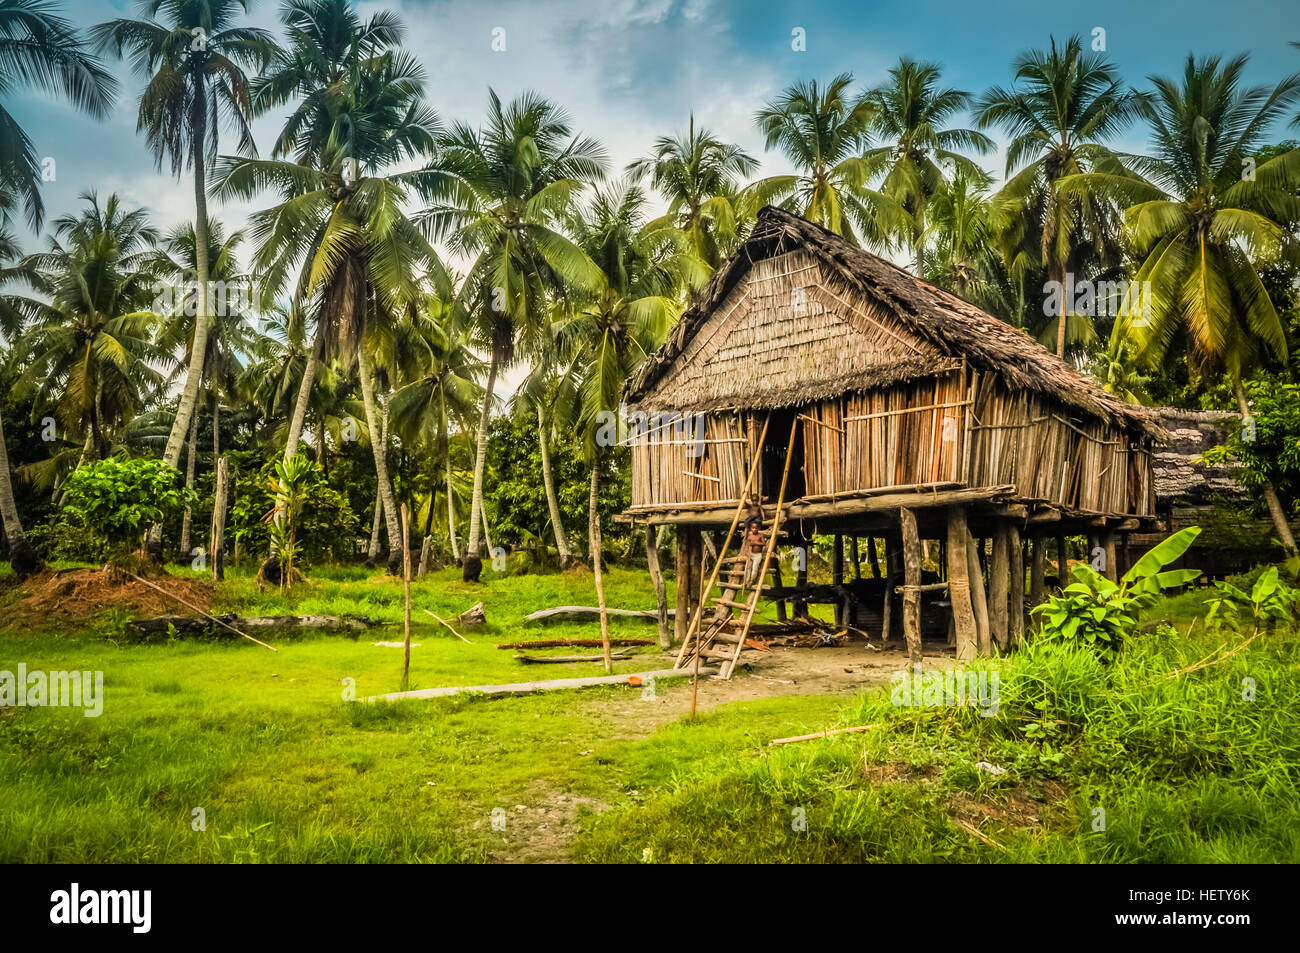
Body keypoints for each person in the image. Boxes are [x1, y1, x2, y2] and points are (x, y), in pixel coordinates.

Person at [740, 495, 767, 588]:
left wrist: (763, 518)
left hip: (758, 555)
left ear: (758, 528)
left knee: (754, 569)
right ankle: (746, 582)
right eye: (753, 501)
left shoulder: (760, 535)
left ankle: (751, 581)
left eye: (756, 528)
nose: (755, 502)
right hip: (751, 554)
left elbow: (764, 543)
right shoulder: (750, 536)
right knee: (748, 568)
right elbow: (748, 545)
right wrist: (747, 552)